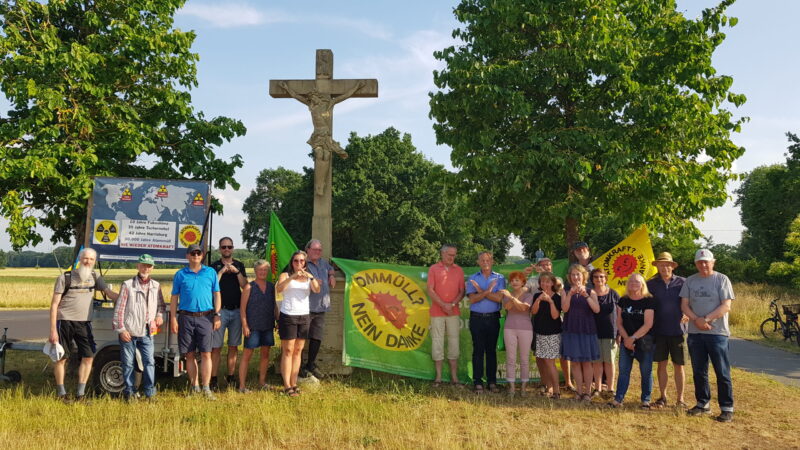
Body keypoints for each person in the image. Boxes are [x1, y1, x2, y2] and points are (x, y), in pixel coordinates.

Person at [48, 248, 118, 402]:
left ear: (95, 261)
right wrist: (53, 330)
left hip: (84, 323)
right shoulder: (64, 278)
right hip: (64, 321)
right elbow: (54, 305)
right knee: (61, 358)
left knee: (88, 356)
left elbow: (109, 293)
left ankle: (80, 394)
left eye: (91, 259)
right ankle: (61, 394)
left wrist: (126, 298)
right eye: (85, 258)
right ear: (80, 258)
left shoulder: (95, 276)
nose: (88, 262)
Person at [680, 249, 735, 422]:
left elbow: (726, 306)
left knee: (722, 371)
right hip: (695, 333)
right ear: (696, 264)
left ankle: (727, 407)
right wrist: (696, 320)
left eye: (706, 261)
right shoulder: (690, 281)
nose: (703, 265)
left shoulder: (722, 279)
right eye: (699, 262)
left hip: (717, 333)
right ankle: (702, 404)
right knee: (699, 371)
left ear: (713, 262)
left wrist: (707, 319)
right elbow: (684, 305)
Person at [169, 244, 221, 400]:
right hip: (186, 318)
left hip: (206, 317)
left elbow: (217, 294)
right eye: (193, 253)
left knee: (206, 353)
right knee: (189, 354)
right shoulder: (180, 274)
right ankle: (194, 387)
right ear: (187, 256)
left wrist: (217, 314)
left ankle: (206, 388)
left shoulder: (210, 272)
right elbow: (174, 298)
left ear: (202, 255)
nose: (196, 256)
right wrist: (173, 318)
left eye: (198, 253)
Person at [112, 254, 165, 401]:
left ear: (152, 268)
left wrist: (160, 316)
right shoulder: (127, 285)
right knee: (128, 363)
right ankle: (130, 392)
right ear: (137, 266)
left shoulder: (156, 286)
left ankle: (149, 393)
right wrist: (121, 329)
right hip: (129, 331)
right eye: (143, 265)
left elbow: (161, 305)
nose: (145, 268)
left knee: (149, 363)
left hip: (147, 332)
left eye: (148, 266)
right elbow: (119, 309)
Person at [276, 250, 320, 397]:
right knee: (288, 351)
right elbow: (279, 289)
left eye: (302, 261)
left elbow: (317, 289)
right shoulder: (286, 275)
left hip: (304, 316)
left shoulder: (308, 277)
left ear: (305, 263)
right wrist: (293, 276)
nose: (299, 264)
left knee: (298, 351)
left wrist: (311, 277)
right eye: (296, 261)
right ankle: (287, 385)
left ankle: (294, 382)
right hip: (288, 315)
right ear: (292, 262)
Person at [647, 252, 687, 408]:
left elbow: (690, 302)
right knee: (661, 365)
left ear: (672, 266)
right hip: (659, 330)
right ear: (657, 266)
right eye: (661, 264)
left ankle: (680, 399)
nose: (664, 267)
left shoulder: (683, 283)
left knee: (679, 365)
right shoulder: (650, 284)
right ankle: (662, 397)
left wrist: (688, 314)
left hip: (678, 331)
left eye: (667, 264)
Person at [609, 273, 655, 409]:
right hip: (626, 341)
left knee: (646, 372)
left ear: (642, 284)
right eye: (631, 282)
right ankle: (618, 399)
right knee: (623, 371)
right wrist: (627, 340)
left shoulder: (649, 300)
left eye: (637, 282)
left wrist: (633, 338)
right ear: (627, 284)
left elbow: (648, 324)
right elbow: (619, 322)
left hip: (645, 341)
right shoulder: (623, 300)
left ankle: (646, 400)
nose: (634, 284)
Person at [209, 237, 248, 390]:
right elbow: (211, 286)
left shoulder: (239, 265)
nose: (226, 249)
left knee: (233, 346)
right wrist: (222, 272)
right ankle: (213, 379)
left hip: (237, 311)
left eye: (229, 247)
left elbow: (245, 286)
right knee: (216, 347)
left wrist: (237, 272)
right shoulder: (213, 267)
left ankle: (231, 377)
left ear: (233, 248)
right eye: (224, 247)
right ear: (219, 249)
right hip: (220, 312)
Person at [465, 251, 505, 393]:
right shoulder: (472, 278)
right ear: (478, 262)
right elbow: (473, 299)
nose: (485, 262)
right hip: (477, 318)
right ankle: (477, 382)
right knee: (478, 351)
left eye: (488, 260)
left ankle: (492, 382)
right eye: (482, 260)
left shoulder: (500, 278)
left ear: (492, 261)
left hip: (493, 318)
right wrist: (489, 291)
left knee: (491, 351)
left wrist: (480, 291)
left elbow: (499, 299)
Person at [426, 244, 465, 387]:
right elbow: (430, 289)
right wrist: (443, 305)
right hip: (437, 312)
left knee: (454, 343)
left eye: (454, 255)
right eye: (449, 254)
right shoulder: (433, 269)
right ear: (442, 254)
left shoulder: (459, 270)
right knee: (437, 342)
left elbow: (462, 291)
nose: (452, 257)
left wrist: (452, 305)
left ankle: (454, 378)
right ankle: (438, 377)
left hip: (453, 312)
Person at [561, 264, 600, 401]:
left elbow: (596, 310)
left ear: (584, 276)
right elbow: (564, 309)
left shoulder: (591, 292)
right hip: (571, 330)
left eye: (578, 274)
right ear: (570, 277)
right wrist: (571, 294)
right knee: (576, 362)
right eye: (573, 275)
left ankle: (587, 392)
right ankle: (578, 391)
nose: (576, 277)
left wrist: (586, 296)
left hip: (587, 330)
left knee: (587, 363)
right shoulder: (565, 291)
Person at [238, 260, 278, 392]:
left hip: (267, 325)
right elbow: (242, 309)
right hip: (252, 326)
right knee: (247, 355)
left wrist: (277, 320)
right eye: (260, 270)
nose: (262, 272)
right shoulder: (249, 287)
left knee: (265, 354)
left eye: (265, 270)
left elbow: (274, 305)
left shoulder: (272, 287)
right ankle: (242, 386)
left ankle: (262, 382)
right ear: (255, 271)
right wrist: (245, 325)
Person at [300, 239, 336, 380]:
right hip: (306, 307)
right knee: (301, 338)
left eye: (320, 250)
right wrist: (311, 281)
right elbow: (294, 276)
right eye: (315, 249)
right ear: (308, 249)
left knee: (317, 337)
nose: (317, 252)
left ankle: (310, 364)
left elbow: (331, 268)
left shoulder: (323, 263)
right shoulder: (302, 263)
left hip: (321, 307)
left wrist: (332, 275)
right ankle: (299, 367)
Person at [499, 271, 534, 397]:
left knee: (524, 359)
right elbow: (507, 307)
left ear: (523, 282)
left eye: (517, 280)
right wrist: (511, 297)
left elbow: (523, 308)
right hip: (509, 328)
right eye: (512, 280)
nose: (514, 282)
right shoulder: (507, 295)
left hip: (526, 329)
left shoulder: (529, 295)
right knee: (511, 359)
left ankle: (524, 388)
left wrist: (513, 297)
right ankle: (512, 388)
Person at [531, 272, 563, 399]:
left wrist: (550, 301)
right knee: (543, 362)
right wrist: (539, 300)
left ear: (553, 283)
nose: (545, 284)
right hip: (539, 333)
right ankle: (548, 388)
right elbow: (533, 312)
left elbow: (555, 316)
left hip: (552, 334)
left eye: (548, 281)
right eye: (542, 282)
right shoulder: (536, 295)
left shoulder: (557, 297)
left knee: (550, 363)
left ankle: (557, 391)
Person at [591, 268, 619, 398]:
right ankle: (597, 388)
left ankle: (610, 388)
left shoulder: (613, 293)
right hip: (593, 332)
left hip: (610, 333)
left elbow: (620, 314)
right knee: (596, 362)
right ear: (592, 279)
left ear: (606, 278)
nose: (599, 279)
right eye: (596, 277)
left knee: (609, 361)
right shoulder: (589, 293)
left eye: (601, 277)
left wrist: (619, 333)